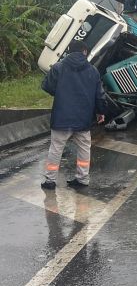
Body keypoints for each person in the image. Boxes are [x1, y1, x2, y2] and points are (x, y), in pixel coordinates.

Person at [40, 40, 107, 190]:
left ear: (69, 51)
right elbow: (100, 95)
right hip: (83, 119)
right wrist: (101, 111)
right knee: (84, 148)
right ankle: (82, 179)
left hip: (61, 117)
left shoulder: (58, 67)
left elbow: (47, 86)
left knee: (56, 148)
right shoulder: (93, 70)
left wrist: (60, 93)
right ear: (84, 51)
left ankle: (50, 181)